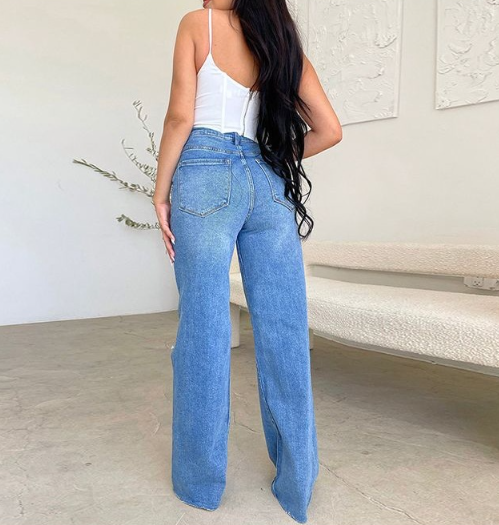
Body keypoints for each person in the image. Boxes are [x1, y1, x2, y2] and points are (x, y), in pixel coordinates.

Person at [152, 0, 342, 522]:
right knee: (284, 330)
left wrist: (160, 191)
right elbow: (329, 129)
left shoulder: (198, 24)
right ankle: (297, 485)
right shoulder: (281, 41)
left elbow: (180, 117)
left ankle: (200, 485)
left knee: (204, 329)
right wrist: (272, 158)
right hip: (267, 182)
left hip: (205, 173)